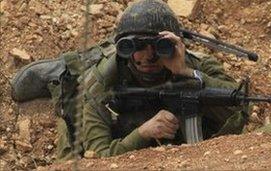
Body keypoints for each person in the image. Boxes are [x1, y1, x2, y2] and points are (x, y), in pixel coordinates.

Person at [11, 0, 247, 161]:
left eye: (158, 46)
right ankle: (63, 68)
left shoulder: (195, 64)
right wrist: (141, 135)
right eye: (137, 47)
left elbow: (240, 103)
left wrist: (186, 73)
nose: (148, 56)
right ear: (124, 50)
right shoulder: (101, 82)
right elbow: (99, 156)